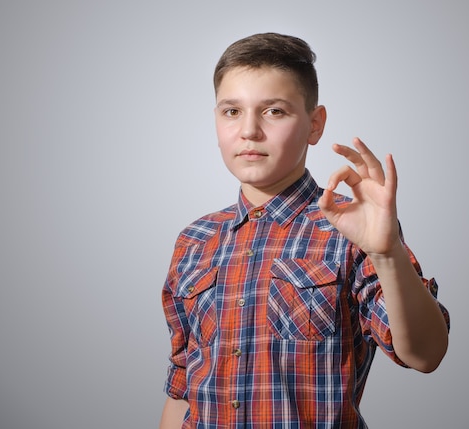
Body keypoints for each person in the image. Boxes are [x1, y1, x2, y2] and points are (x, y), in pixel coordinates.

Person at [159, 32, 450, 428]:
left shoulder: (354, 229)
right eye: (232, 111)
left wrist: (387, 253)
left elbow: (425, 354)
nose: (249, 131)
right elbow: (182, 386)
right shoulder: (194, 241)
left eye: (274, 111)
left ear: (315, 125)